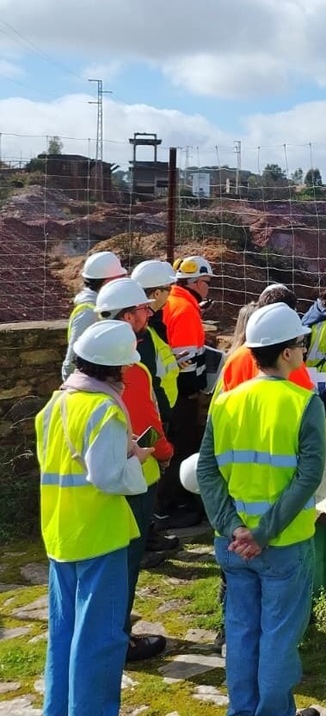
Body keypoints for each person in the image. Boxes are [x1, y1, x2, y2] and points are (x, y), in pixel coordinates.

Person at [196, 302, 326, 716]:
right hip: (283, 543)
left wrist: (232, 526)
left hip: (232, 544)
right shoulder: (304, 403)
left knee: (240, 631)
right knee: (279, 636)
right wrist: (263, 533)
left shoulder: (225, 403)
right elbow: (308, 476)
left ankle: (242, 710)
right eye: (300, 345)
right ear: (286, 352)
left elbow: (206, 470)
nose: (303, 350)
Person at [36, 320, 155, 715]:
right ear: (117, 367)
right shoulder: (103, 410)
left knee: (64, 636)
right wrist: (136, 459)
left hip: (60, 533)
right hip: (99, 535)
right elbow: (108, 477)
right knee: (100, 640)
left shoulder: (55, 405)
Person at [95, 278, 175, 664]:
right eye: (142, 308)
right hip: (138, 477)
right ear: (127, 317)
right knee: (127, 562)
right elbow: (148, 426)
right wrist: (166, 452)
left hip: (104, 480)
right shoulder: (132, 369)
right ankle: (119, 638)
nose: (149, 312)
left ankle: (108, 629)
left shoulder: (91, 363)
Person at [222, 283, 326, 415]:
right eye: (301, 343)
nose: (304, 350)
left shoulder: (234, 359)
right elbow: (318, 409)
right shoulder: (288, 365)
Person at [130, 259, 184, 557]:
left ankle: (148, 533)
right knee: (146, 477)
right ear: (155, 293)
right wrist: (161, 424)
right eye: (167, 289)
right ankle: (145, 539)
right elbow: (147, 384)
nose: (170, 295)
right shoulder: (141, 336)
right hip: (152, 419)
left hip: (156, 414)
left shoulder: (148, 327)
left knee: (148, 478)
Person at [158, 254, 215, 528]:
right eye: (207, 282)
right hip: (181, 394)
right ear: (196, 283)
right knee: (180, 448)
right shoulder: (186, 311)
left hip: (165, 390)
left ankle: (165, 505)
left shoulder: (170, 301)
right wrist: (197, 389)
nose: (208, 287)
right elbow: (187, 362)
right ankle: (172, 507)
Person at [62, 250, 127, 380]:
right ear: (108, 281)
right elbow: (71, 363)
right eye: (121, 277)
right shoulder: (88, 313)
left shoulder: (99, 306)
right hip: (92, 385)